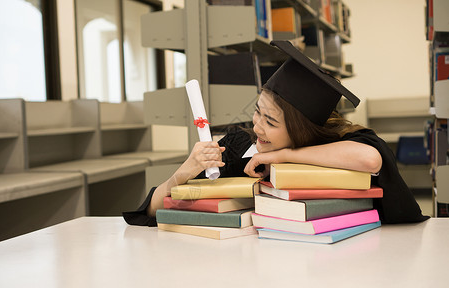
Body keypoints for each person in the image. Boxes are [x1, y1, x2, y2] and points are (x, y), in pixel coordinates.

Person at [123, 40, 429, 226]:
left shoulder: (334, 147)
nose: (257, 126)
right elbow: (151, 210)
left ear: (302, 130)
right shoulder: (238, 147)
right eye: (257, 111)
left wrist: (282, 156)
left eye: (271, 121)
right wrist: (183, 172)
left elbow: (370, 160)